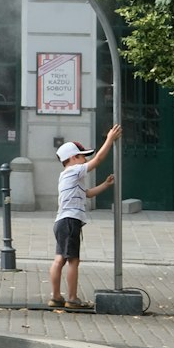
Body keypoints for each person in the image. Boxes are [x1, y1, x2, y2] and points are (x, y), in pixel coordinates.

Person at [49, 124, 122, 310]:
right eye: (82, 156)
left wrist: (105, 185)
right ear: (73, 158)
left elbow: (87, 194)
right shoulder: (74, 171)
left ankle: (56, 297)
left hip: (62, 222)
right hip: (70, 221)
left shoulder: (66, 176)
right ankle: (71, 298)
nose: (85, 159)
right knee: (72, 260)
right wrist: (109, 139)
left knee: (60, 259)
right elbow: (97, 160)